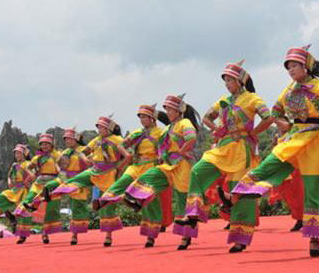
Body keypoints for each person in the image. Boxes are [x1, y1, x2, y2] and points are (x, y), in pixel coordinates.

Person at [231, 45, 319, 256]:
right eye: (288, 67)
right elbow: (274, 112)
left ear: (306, 66)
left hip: (316, 140)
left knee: (315, 188)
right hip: (294, 137)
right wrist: (283, 123)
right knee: (272, 161)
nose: (291, 70)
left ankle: (315, 238)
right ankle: (244, 189)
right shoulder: (288, 90)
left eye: (295, 65)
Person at [175, 60, 273, 252]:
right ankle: (194, 214)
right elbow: (206, 117)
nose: (227, 84)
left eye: (230, 80)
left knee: (239, 191)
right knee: (197, 171)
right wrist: (216, 128)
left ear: (240, 80)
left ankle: (240, 238)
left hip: (241, 149)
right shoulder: (223, 102)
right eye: (225, 80)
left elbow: (268, 118)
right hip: (223, 147)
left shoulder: (254, 99)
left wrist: (253, 133)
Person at [124, 94, 200, 250]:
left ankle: (185, 238)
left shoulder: (184, 122)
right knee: (148, 177)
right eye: (166, 109)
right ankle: (137, 199)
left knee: (181, 201)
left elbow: (191, 138)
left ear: (179, 111)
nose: (168, 112)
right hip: (167, 165)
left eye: (170, 109)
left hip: (181, 166)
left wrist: (181, 151)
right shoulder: (168, 128)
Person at [96, 104, 173, 247]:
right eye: (140, 117)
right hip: (136, 166)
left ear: (152, 118)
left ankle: (150, 236)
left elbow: (166, 148)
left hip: (151, 167)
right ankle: (107, 198)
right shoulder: (137, 133)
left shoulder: (161, 132)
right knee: (122, 180)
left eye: (144, 117)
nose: (142, 120)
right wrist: (127, 156)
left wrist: (162, 158)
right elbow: (122, 145)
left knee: (149, 202)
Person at [51, 116, 131, 247]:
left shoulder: (118, 140)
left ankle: (108, 235)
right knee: (76, 180)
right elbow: (84, 151)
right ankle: (58, 192)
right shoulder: (96, 141)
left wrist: (118, 169)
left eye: (102, 127)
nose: (99, 130)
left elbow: (128, 155)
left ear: (109, 128)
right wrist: (86, 158)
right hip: (94, 170)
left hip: (109, 173)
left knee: (107, 204)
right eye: (98, 127)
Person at [14, 134, 62, 244]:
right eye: (42, 144)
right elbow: (27, 167)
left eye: (46, 144)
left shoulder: (56, 154)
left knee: (48, 210)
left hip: (52, 182)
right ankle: (16, 215)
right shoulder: (37, 157)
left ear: (51, 145)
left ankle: (44, 234)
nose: (44, 146)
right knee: (29, 199)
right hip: (39, 182)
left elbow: (62, 166)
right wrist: (31, 176)